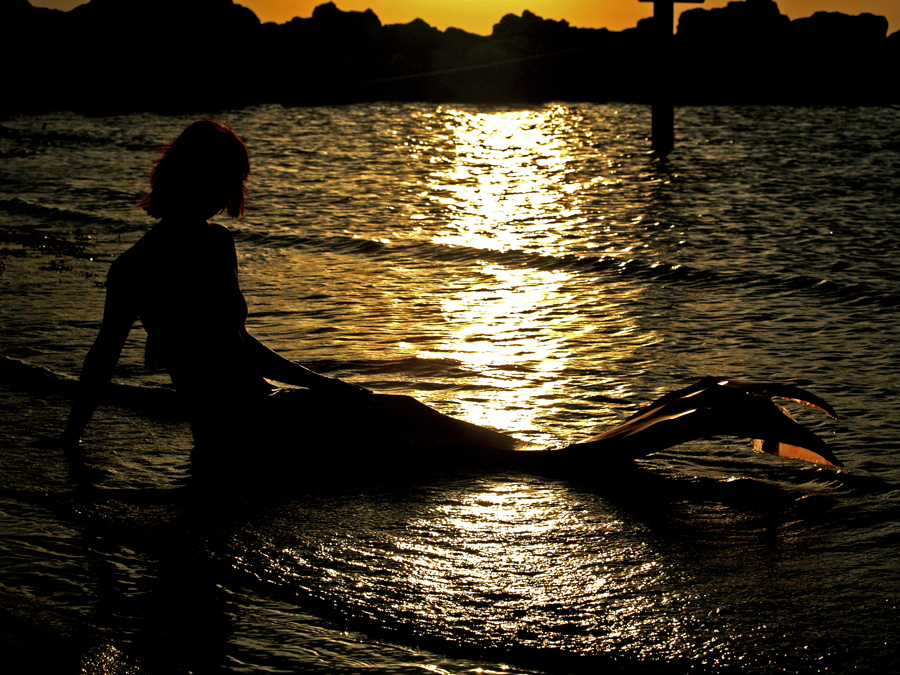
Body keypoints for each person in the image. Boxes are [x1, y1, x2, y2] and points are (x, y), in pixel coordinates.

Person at [62, 120, 841, 473]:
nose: (234, 197)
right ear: (208, 182)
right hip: (258, 438)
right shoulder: (207, 247)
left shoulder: (134, 263)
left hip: (236, 434)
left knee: (439, 427)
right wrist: (325, 387)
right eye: (231, 181)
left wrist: (72, 440)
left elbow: (110, 360)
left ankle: (697, 408)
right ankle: (705, 411)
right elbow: (233, 349)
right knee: (520, 461)